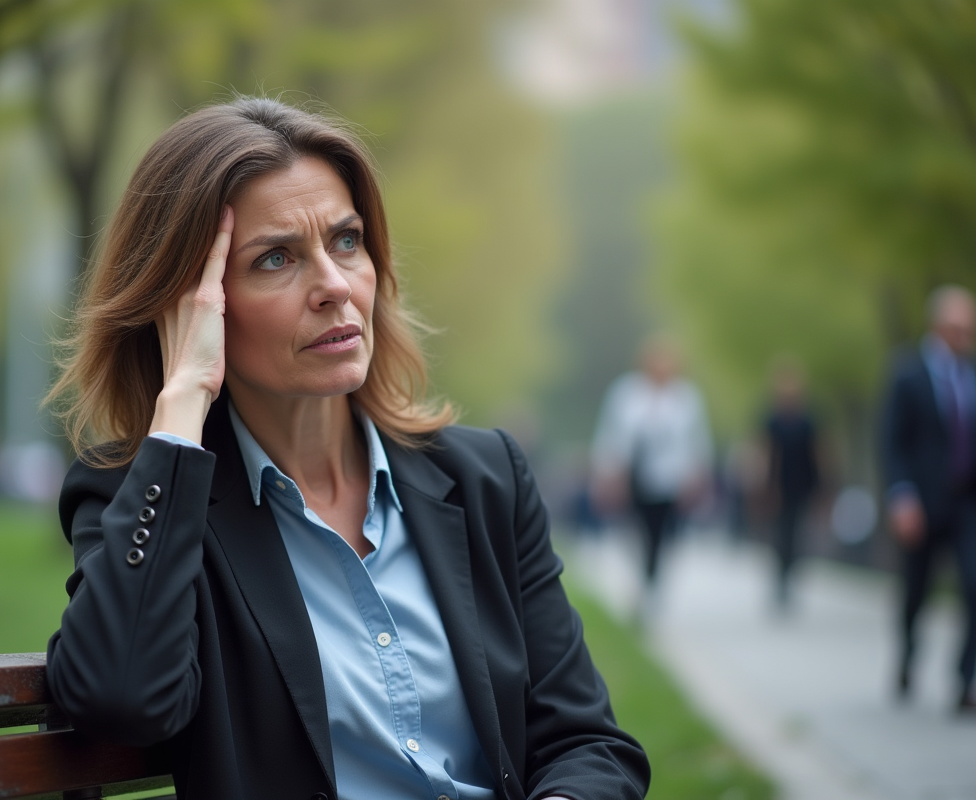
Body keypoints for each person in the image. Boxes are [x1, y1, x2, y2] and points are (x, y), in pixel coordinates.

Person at [44, 97, 649, 800]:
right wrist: (182, 398)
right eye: (275, 258)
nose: (334, 286)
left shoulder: (485, 478)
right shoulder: (145, 499)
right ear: (192, 305)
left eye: (347, 240)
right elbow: (120, 698)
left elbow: (588, 744)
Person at [881, 285, 976, 712]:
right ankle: (907, 654)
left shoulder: (972, 375)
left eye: (970, 328)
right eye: (958, 327)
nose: (965, 336)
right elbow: (892, 442)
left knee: (975, 586)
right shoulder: (908, 375)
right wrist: (902, 496)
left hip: (967, 503)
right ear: (938, 326)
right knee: (916, 591)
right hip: (922, 502)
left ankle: (964, 681)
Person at [591, 338, 712, 605]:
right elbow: (611, 434)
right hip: (631, 476)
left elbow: (697, 440)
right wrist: (607, 472)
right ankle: (642, 574)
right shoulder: (625, 393)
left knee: (661, 531)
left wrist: (697, 475)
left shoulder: (686, 397)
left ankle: (652, 576)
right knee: (634, 529)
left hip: (670, 478)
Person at [761, 360, 820, 610]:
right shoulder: (772, 419)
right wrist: (767, 485)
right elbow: (766, 453)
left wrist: (822, 485)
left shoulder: (808, 419)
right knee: (781, 533)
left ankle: (790, 574)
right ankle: (780, 578)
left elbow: (819, 452)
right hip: (778, 486)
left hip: (802, 483)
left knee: (797, 533)